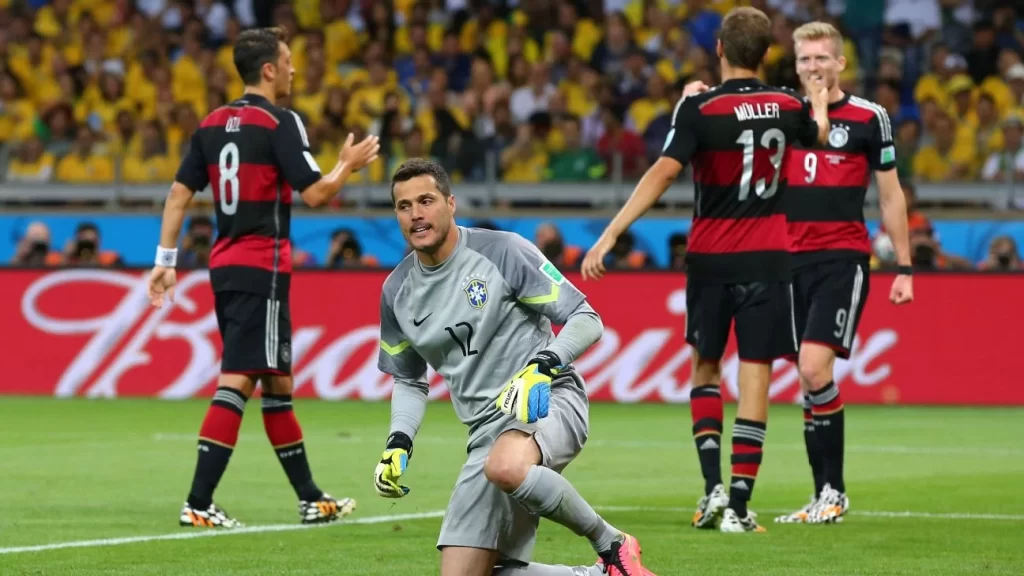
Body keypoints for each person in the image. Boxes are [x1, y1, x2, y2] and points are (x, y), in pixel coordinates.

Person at [580, 6, 831, 533]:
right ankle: (740, 506)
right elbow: (819, 137)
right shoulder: (788, 104)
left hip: (711, 259)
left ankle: (712, 490)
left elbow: (661, 173)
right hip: (769, 259)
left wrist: (611, 232)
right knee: (755, 377)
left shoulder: (699, 109)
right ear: (766, 55)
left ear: (718, 49)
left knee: (706, 368)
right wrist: (820, 95)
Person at [146, 27, 380, 528]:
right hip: (262, 266)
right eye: (289, 61)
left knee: (277, 380)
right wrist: (346, 166)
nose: (295, 69)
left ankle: (311, 499)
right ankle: (199, 502)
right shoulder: (280, 122)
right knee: (240, 377)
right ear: (269, 69)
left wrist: (165, 260)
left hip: (224, 263)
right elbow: (315, 194)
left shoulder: (209, 125)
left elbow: (177, 196)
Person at [374, 158, 655, 576]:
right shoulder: (397, 291)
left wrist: (543, 365)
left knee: (505, 466)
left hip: (547, 401)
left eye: (426, 200)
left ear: (451, 204)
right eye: (403, 206)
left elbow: (585, 317)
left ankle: (612, 545)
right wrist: (398, 441)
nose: (416, 214)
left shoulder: (502, 251)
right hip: (484, 434)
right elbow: (409, 379)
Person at [773, 21, 915, 526]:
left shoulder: (868, 117)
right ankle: (822, 497)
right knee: (810, 381)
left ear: (840, 63)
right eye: (805, 60)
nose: (813, 68)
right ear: (796, 65)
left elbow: (891, 193)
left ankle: (834, 492)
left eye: (821, 59)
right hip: (789, 260)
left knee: (815, 369)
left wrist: (904, 265)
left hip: (842, 257)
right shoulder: (786, 116)